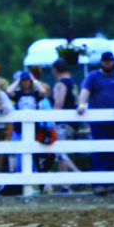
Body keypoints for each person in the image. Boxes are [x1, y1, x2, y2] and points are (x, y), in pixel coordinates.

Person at [78, 51, 114, 195]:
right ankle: (98, 183)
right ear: (101, 62)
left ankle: (110, 182)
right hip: (99, 121)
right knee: (100, 150)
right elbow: (85, 91)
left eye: (110, 61)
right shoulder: (93, 76)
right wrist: (82, 105)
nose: (108, 63)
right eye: (106, 61)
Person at [50, 59, 82, 188]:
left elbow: (59, 103)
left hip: (63, 123)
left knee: (61, 152)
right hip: (73, 123)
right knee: (66, 153)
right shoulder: (73, 84)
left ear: (55, 69)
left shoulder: (60, 84)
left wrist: (50, 119)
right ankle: (67, 184)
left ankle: (76, 177)